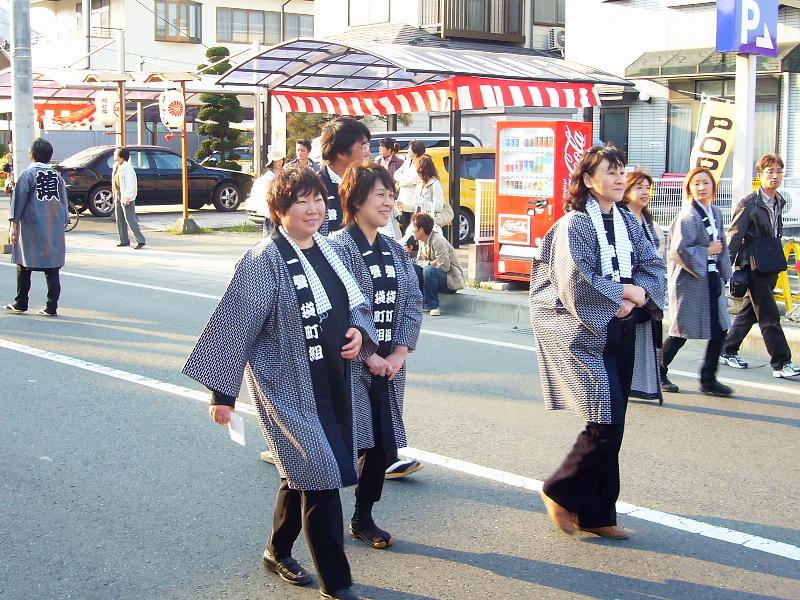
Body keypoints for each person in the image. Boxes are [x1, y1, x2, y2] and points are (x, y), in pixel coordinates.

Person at [183, 167, 377, 600]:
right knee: (323, 477)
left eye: (319, 200)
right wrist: (222, 394)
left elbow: (358, 304)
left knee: (302, 474)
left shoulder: (331, 251)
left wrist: (360, 334)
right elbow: (235, 325)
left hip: (334, 383)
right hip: (288, 389)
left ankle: (277, 550)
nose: (313, 209)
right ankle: (337, 583)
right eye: (301, 201)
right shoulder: (264, 259)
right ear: (278, 209)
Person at [529, 146, 665, 540]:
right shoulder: (574, 224)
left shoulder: (628, 219)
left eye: (622, 170)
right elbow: (575, 281)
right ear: (589, 180)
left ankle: (598, 512)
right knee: (605, 419)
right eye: (610, 171)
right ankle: (560, 490)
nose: (620, 178)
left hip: (621, 328)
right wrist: (621, 294)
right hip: (582, 332)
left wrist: (636, 293)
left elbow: (652, 264)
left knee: (615, 423)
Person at [332, 160, 423, 548]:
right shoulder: (335, 248)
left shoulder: (395, 249)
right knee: (346, 443)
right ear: (355, 200)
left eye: (391, 195)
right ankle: (313, 523)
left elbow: (414, 300)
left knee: (383, 444)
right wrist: (369, 354)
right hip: (351, 364)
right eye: (380, 195)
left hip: (390, 365)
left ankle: (362, 515)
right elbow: (336, 308)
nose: (388, 203)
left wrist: (400, 350)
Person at [721, 154, 800, 379]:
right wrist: (728, 269)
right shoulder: (749, 204)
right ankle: (781, 362)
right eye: (770, 172)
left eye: (778, 172)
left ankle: (727, 349)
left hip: (770, 263)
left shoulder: (778, 201)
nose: (775, 176)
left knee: (750, 312)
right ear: (760, 176)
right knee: (768, 314)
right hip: (754, 265)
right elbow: (734, 236)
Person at [660, 167, 733, 397]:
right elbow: (678, 250)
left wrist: (725, 271)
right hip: (690, 282)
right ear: (689, 188)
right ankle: (657, 371)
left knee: (721, 328)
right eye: (696, 183)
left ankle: (708, 379)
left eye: (706, 183)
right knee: (681, 331)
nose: (701, 187)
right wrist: (707, 250)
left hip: (710, 278)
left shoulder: (716, 212)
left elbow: (722, 244)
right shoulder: (688, 216)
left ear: (713, 186)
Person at [4, 138, 69, 317]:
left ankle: (21, 302)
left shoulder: (28, 175)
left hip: (31, 227)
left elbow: (18, 204)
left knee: (24, 264)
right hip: (53, 226)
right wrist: (63, 221)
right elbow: (64, 203)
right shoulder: (57, 176)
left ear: (32, 155)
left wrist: (13, 226)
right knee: (52, 267)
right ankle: (51, 306)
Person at [621, 171, 666, 403]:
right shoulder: (622, 217)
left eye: (648, 187)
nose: (645, 192)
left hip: (648, 292)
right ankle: (624, 383)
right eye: (639, 187)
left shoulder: (648, 220)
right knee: (627, 340)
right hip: (629, 289)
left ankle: (646, 380)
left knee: (649, 338)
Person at [319, 117, 372, 234]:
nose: (368, 153)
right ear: (341, 152)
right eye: (363, 147)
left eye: (368, 146)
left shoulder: (367, 183)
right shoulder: (315, 188)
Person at [412, 212, 465, 317]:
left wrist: (429, 265)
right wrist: (431, 262)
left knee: (428, 270)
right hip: (434, 275)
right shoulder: (422, 240)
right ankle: (421, 301)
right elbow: (418, 261)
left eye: (414, 227)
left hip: (450, 280)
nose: (412, 230)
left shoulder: (438, 240)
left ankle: (433, 306)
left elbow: (444, 267)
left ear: (421, 230)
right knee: (413, 268)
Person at [112, 147, 146, 249]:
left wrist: (128, 196)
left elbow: (131, 183)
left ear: (121, 156)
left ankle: (141, 240)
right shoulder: (116, 165)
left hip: (126, 197)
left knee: (130, 219)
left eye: (116, 153)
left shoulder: (127, 167)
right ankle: (124, 240)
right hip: (118, 195)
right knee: (120, 219)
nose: (114, 154)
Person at [394, 141, 426, 231]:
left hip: (413, 199)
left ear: (415, 152)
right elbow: (396, 174)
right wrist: (404, 179)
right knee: (403, 224)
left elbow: (413, 179)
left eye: (410, 149)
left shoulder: (421, 163)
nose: (408, 150)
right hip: (403, 198)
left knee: (413, 226)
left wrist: (401, 182)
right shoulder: (407, 161)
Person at [413, 155, 452, 229]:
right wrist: (403, 205)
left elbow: (439, 207)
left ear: (423, 171)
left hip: (431, 225)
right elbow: (416, 205)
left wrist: (422, 202)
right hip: (420, 224)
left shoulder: (435, 184)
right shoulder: (420, 183)